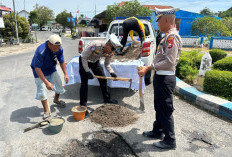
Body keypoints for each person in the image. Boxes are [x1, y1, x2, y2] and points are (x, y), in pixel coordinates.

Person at [138, 8, 181, 149]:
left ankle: (170, 140)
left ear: (167, 20)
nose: (157, 24)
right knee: (159, 106)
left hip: (166, 78)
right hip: (160, 77)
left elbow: (169, 61)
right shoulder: (166, 36)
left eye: (159, 21)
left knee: (165, 109)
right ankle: (158, 131)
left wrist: (149, 68)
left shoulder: (172, 37)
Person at [31, 34, 69, 119]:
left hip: (51, 69)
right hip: (39, 72)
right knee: (42, 90)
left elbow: (62, 61)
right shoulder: (41, 51)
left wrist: (66, 74)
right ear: (49, 44)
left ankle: (56, 99)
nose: (57, 49)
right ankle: (46, 111)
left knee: (59, 83)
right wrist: (46, 82)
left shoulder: (59, 49)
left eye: (58, 47)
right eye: (55, 47)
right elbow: (37, 68)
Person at [79, 34, 122, 109]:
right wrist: (87, 71)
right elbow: (84, 57)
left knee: (103, 79)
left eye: (113, 50)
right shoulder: (95, 45)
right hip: (84, 61)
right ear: (108, 45)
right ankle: (83, 104)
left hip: (95, 61)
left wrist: (111, 72)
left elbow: (107, 64)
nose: (112, 52)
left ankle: (107, 99)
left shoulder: (110, 52)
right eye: (112, 49)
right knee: (84, 82)